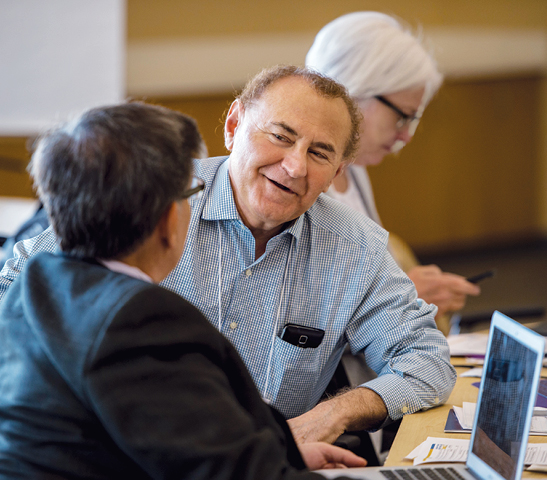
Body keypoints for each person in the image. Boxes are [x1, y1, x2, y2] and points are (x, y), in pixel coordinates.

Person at [0, 65, 456, 445]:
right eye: (280, 136)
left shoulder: (354, 249)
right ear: (233, 125)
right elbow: (14, 282)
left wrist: (331, 416)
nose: (295, 166)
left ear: (338, 171)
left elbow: (427, 362)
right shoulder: (154, 200)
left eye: (319, 153)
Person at [0, 102, 366, 478]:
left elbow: (115, 440)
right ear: (168, 219)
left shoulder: (32, 286)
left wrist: (285, 454)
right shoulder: (140, 321)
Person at [306, 11, 480, 334]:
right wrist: (403, 294)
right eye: (402, 117)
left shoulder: (354, 170)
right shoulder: (300, 183)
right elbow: (306, 316)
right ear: (352, 92)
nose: (407, 135)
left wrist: (409, 291)